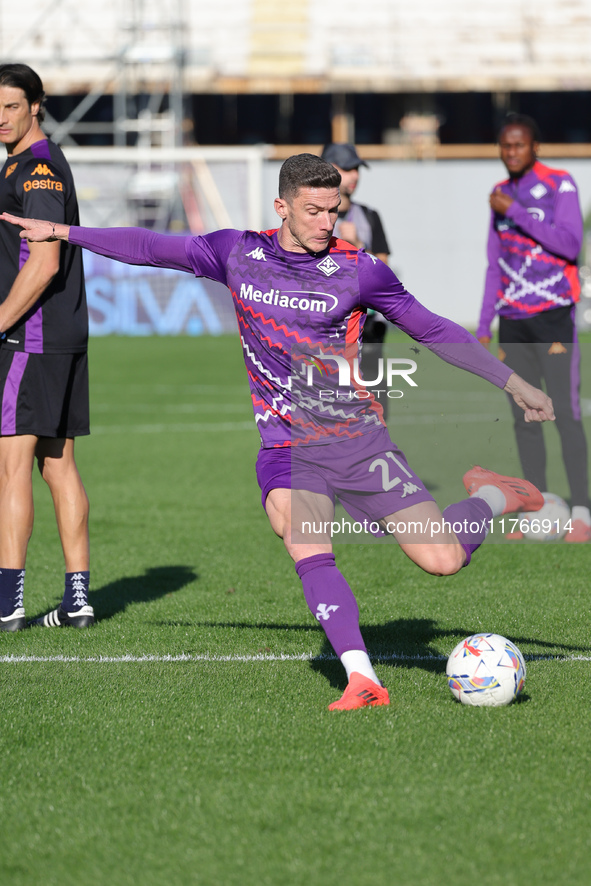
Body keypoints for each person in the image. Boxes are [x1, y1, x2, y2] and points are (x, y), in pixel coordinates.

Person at [2, 153, 554, 709]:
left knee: (442, 560)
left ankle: (493, 493)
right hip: (288, 446)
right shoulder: (237, 253)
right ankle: (362, 678)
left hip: (359, 442)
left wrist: (513, 383)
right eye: (312, 211)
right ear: (282, 207)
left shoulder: (360, 270)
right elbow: (149, 247)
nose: (325, 222)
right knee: (302, 533)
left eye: (333, 210)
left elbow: (433, 329)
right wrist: (63, 231)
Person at [0, 64, 93, 631]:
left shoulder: (36, 169)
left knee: (11, 467)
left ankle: (7, 602)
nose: (0, 118)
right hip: (59, 335)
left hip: (29, 335)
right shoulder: (27, 163)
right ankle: (77, 599)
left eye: (11, 106)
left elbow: (45, 261)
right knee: (58, 464)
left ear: (37, 105)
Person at [477, 113, 591, 543]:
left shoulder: (560, 183)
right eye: (505, 146)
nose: (511, 152)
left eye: (519, 145)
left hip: (553, 316)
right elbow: (494, 264)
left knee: (563, 411)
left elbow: (570, 243)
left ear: (534, 147)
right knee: (525, 417)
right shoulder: (499, 195)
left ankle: (582, 510)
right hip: (513, 322)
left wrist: (519, 213)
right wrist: (484, 322)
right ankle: (536, 507)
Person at [321, 143, 391, 418]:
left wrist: (358, 245)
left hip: (367, 323)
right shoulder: (309, 218)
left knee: (376, 401)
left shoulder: (369, 216)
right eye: (347, 169)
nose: (355, 176)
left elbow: (384, 271)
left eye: (357, 169)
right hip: (325, 323)